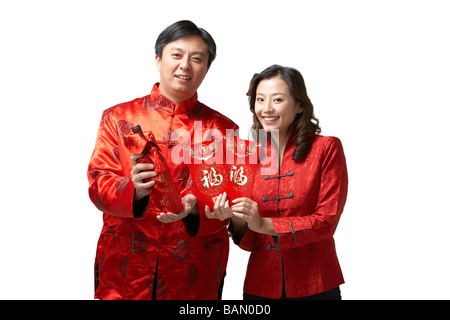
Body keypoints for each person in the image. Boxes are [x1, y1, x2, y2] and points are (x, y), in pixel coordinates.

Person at [87, 20, 238, 300]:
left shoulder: (222, 130)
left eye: (197, 59)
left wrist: (195, 207)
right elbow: (98, 185)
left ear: (207, 67)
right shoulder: (118, 117)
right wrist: (133, 189)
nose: (185, 65)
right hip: (126, 266)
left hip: (192, 269)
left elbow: (226, 201)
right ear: (158, 58)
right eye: (177, 55)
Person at [207, 65, 348, 300]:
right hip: (260, 286)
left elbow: (326, 223)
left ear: (300, 105)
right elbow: (251, 243)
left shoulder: (326, 148)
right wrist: (238, 219)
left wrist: (265, 224)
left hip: (317, 284)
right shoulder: (247, 156)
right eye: (260, 100)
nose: (267, 108)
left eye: (278, 99)